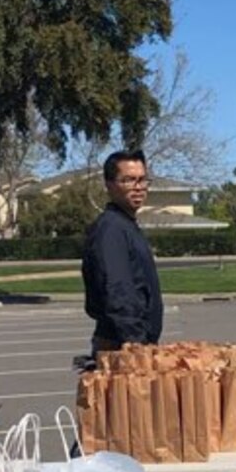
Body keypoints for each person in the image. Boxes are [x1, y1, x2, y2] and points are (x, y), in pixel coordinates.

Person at [80, 149, 163, 356]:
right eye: (128, 180)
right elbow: (117, 290)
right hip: (122, 344)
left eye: (142, 180)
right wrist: (137, 344)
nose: (138, 187)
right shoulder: (111, 230)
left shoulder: (126, 226)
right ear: (109, 185)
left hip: (133, 341)